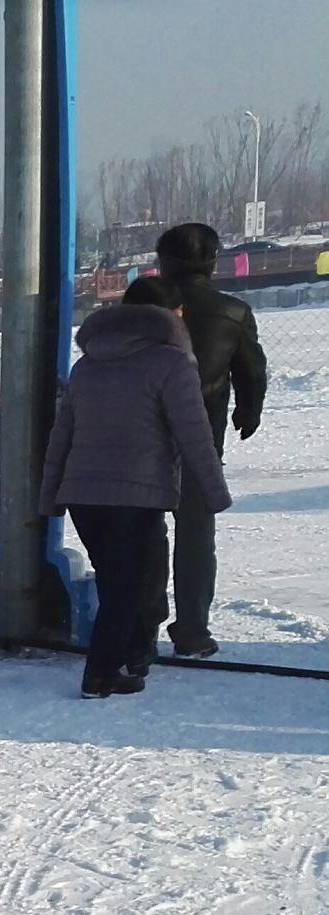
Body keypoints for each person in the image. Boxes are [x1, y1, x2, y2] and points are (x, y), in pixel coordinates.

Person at [40, 276, 230, 698]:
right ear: (172, 315)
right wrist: (214, 493)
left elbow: (62, 435)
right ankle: (100, 675)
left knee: (115, 582)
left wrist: (51, 493)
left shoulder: (87, 364)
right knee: (127, 588)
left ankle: (120, 661)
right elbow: (194, 433)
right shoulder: (172, 363)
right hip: (137, 493)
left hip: (83, 496)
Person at [153, 223, 268, 656]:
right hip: (201, 439)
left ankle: (140, 620)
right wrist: (248, 410)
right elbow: (251, 372)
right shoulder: (233, 312)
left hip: (141, 439)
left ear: (162, 264)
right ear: (213, 263)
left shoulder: (148, 310)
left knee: (141, 533)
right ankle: (193, 630)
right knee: (196, 535)